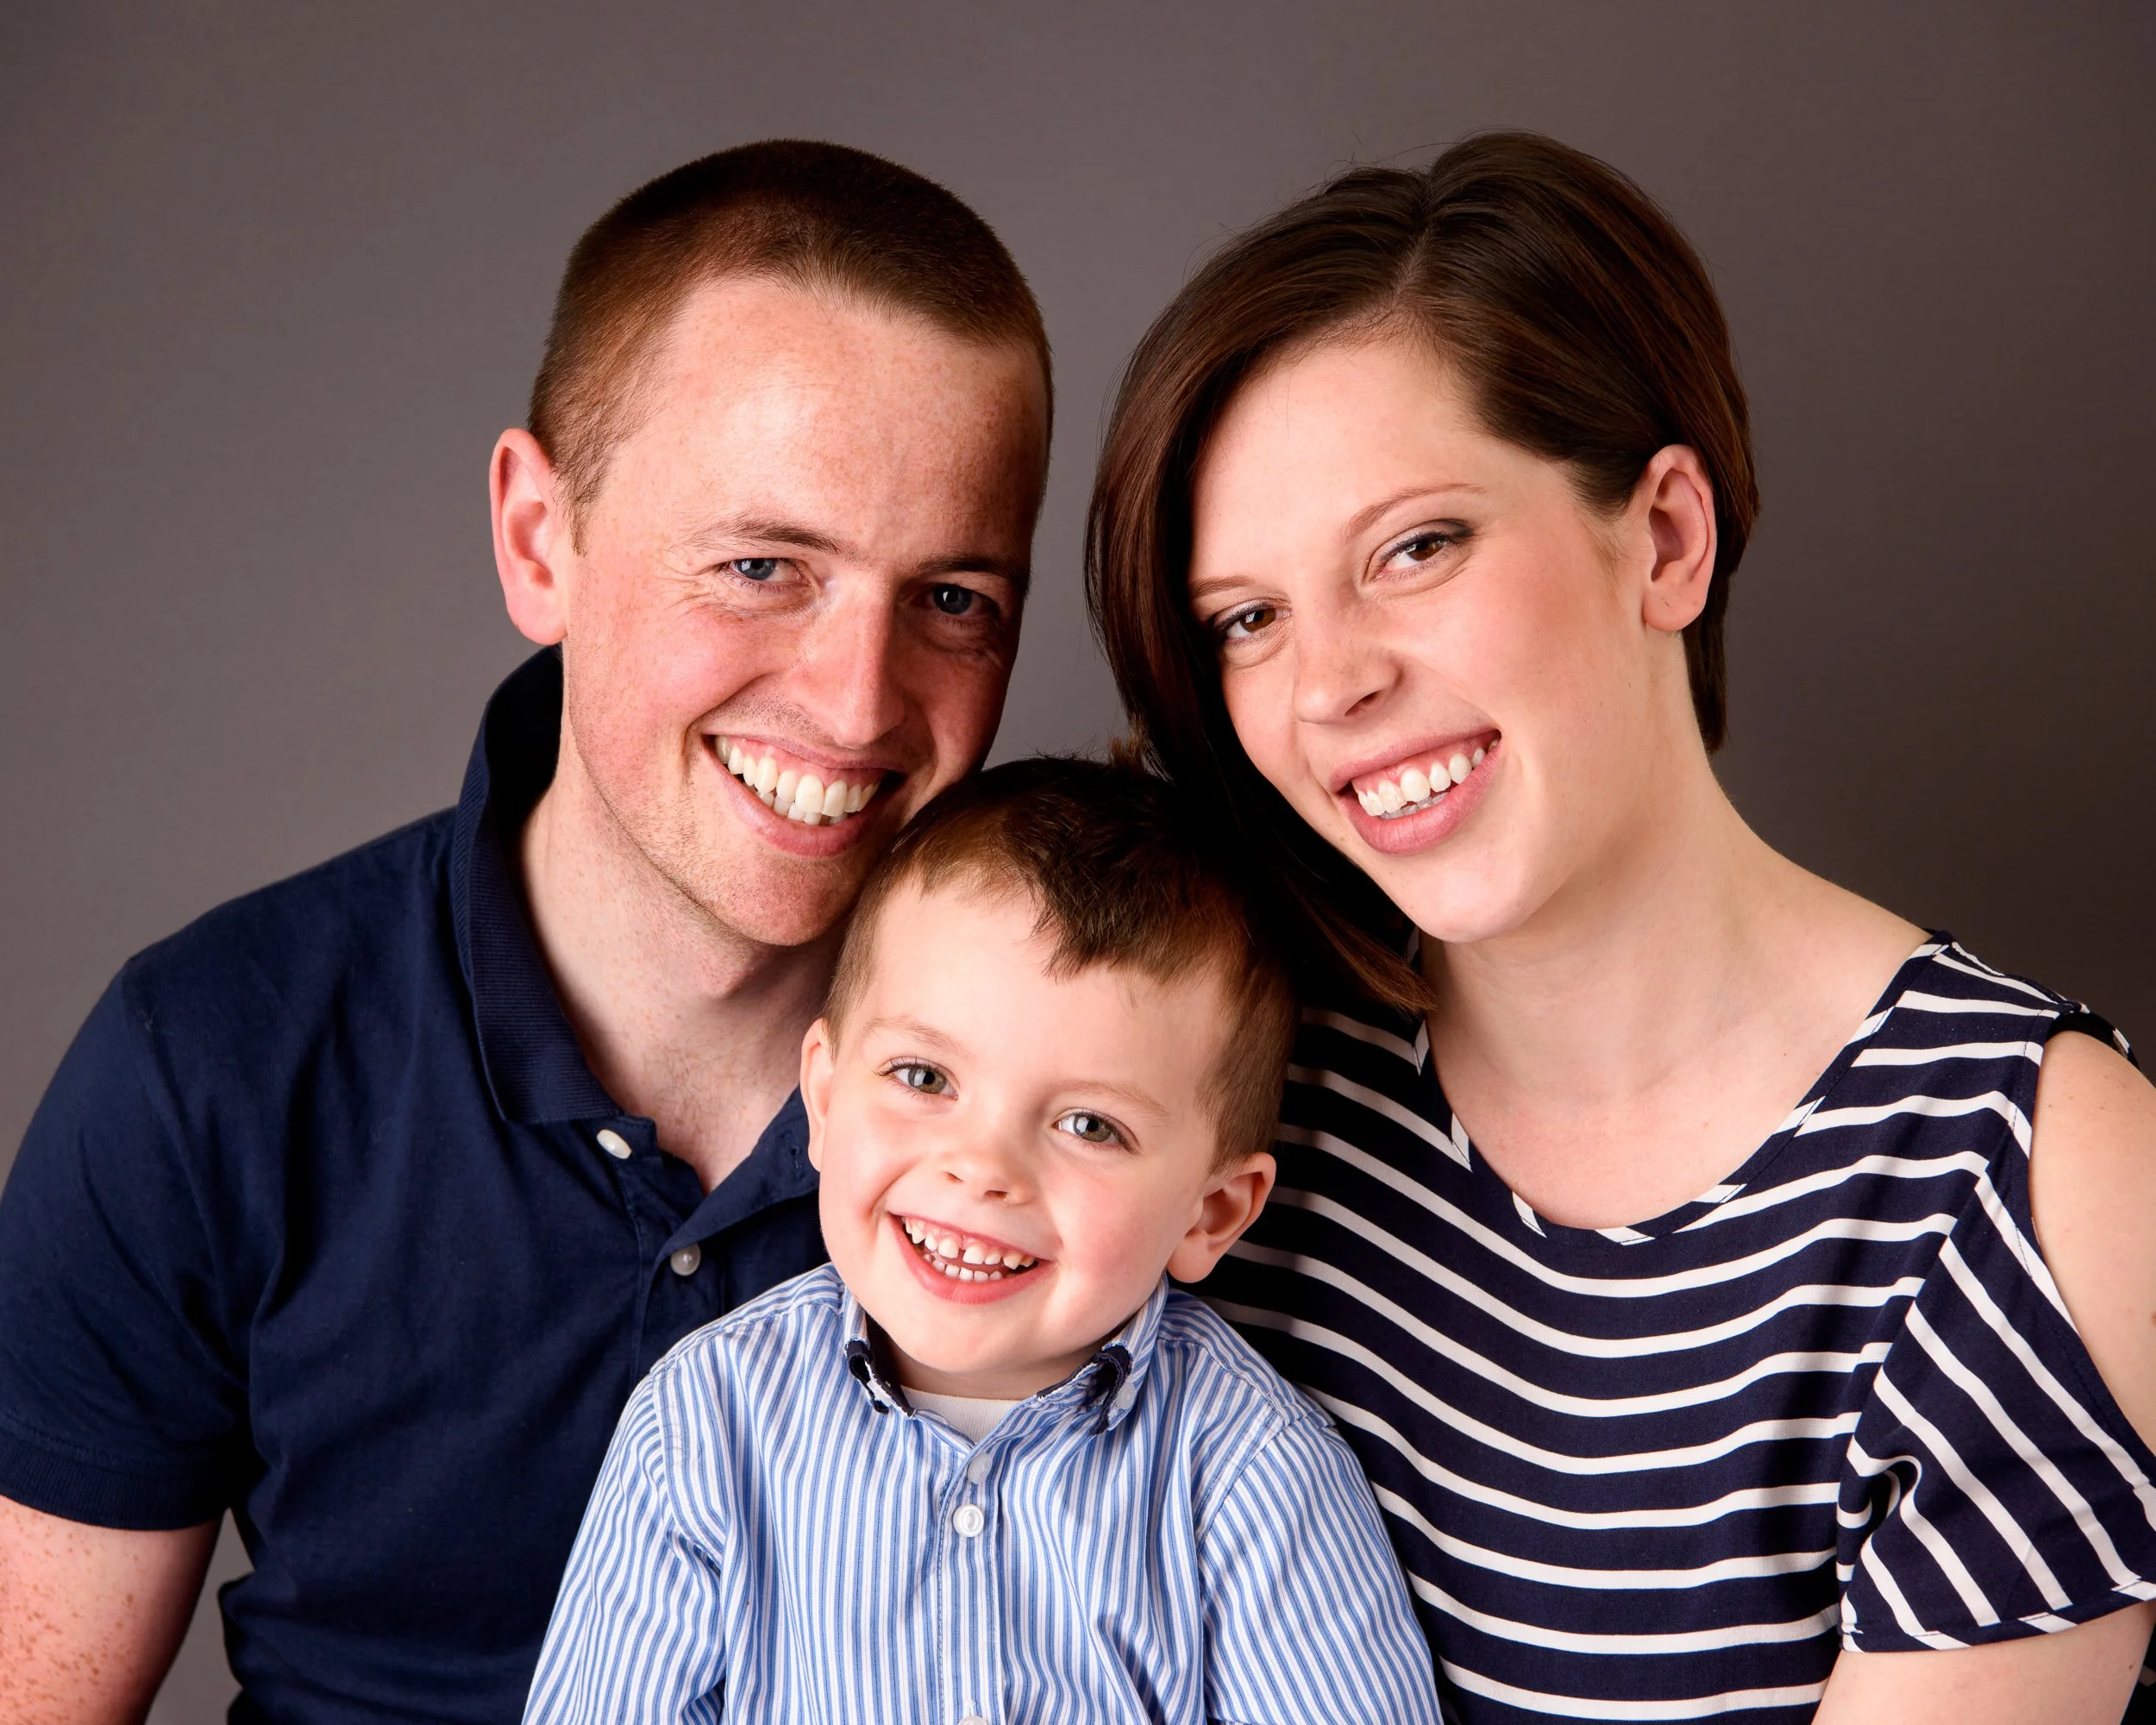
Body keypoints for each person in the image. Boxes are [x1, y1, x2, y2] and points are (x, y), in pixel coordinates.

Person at [1087, 131, 2156, 1723]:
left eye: (1416, 548)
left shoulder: (2035, 1182)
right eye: (1248, 619)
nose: (1329, 687)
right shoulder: (1234, 1079)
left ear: (1664, 537)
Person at [0, 140, 1050, 1723]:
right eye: (763, 566)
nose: (857, 702)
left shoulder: (1102, 1095)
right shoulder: (214, 1061)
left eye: (953, 599)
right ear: (538, 540)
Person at [521, 758, 1444, 1724]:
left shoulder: (1253, 1474)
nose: (982, 1167)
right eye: (923, 1076)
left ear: (1210, 1212)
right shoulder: (704, 1427)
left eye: (1090, 1125)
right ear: (823, 1102)